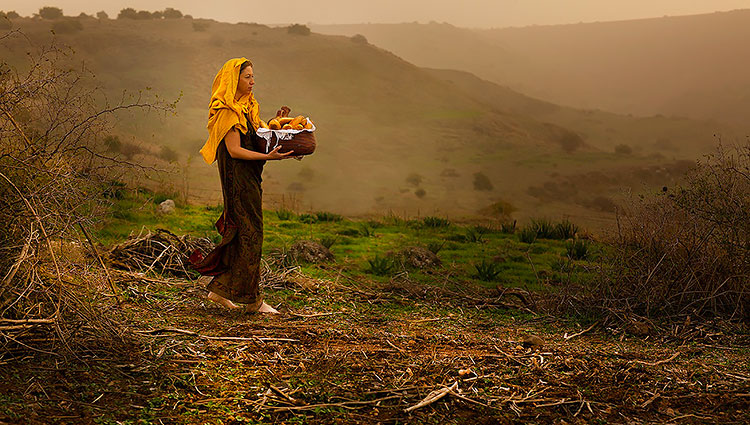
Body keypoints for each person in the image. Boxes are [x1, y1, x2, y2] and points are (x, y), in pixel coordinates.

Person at [190, 58, 295, 314]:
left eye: (252, 76)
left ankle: (219, 292)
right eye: (247, 77)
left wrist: (278, 123)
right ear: (233, 80)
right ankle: (253, 302)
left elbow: (257, 136)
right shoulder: (227, 111)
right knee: (251, 233)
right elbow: (235, 151)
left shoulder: (247, 107)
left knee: (242, 234)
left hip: (249, 177)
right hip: (237, 179)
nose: (252, 81)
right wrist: (269, 157)